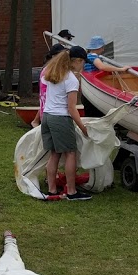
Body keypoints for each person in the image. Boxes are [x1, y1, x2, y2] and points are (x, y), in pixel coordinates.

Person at [40, 46, 91, 200]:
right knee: (70, 153)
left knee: (54, 154)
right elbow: (71, 108)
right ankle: (71, 191)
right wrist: (83, 128)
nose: (82, 66)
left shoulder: (53, 73)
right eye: (82, 62)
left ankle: (52, 190)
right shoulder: (71, 79)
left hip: (47, 117)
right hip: (60, 119)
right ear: (77, 61)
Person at [31, 43, 66, 128]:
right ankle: (35, 122)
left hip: (47, 111)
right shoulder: (51, 70)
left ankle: (35, 122)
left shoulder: (48, 68)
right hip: (51, 112)